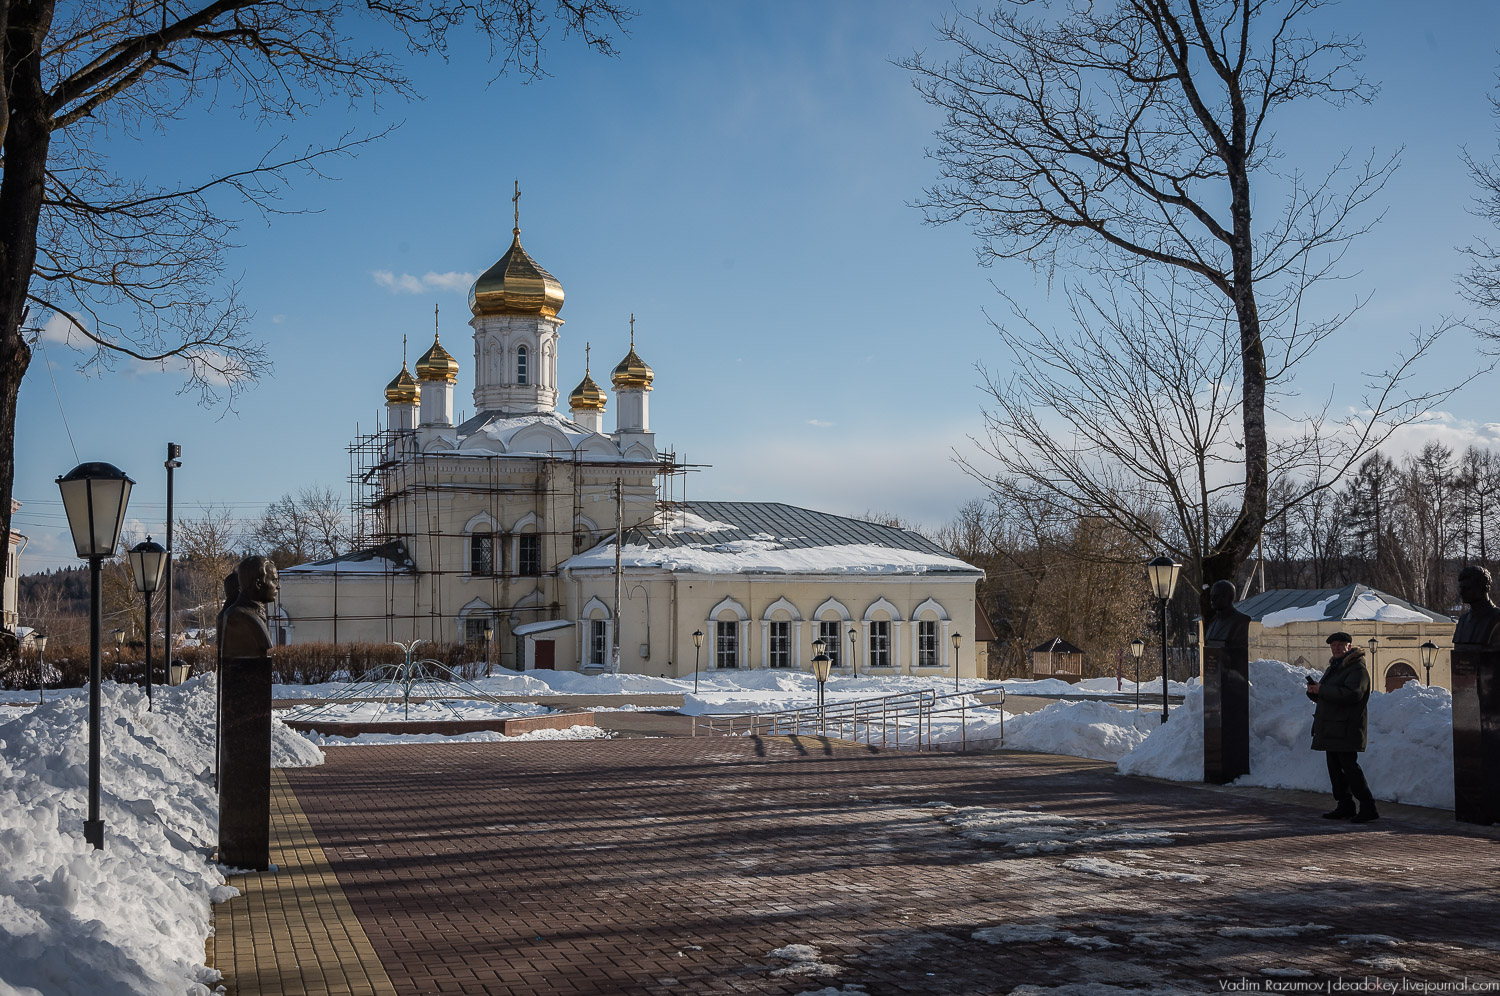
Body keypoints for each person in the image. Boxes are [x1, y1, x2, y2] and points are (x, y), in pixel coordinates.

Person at [1306, 632, 1377, 823]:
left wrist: (1322, 690)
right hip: (1332, 728)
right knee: (1335, 770)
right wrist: (1315, 691)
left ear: (1349, 646)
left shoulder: (1356, 669)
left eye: (1340, 645)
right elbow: (1330, 695)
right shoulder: (1335, 667)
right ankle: (1345, 805)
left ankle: (1368, 806)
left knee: (1350, 769)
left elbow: (1352, 694)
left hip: (1347, 728)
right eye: (1333, 645)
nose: (1336, 648)